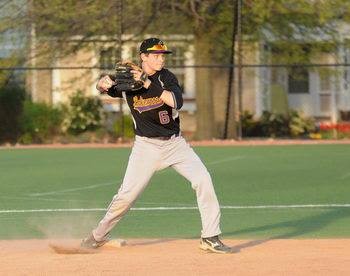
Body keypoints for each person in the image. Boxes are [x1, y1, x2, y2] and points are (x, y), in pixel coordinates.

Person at [81, 37, 232, 254]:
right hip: (146, 148)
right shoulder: (127, 80)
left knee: (203, 180)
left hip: (175, 145)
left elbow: (176, 102)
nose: (161, 59)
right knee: (126, 196)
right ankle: (97, 236)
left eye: (162, 55)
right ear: (143, 57)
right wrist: (101, 84)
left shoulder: (166, 77)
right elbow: (106, 87)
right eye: (156, 55)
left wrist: (148, 83)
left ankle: (210, 236)